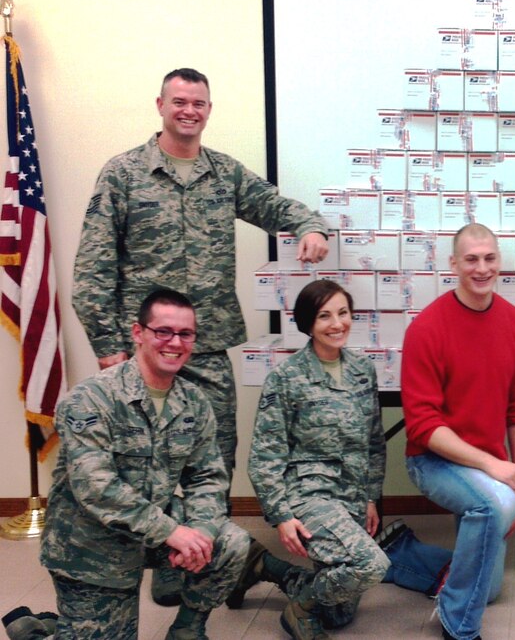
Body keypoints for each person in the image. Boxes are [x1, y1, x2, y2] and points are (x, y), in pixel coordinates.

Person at [72, 67, 329, 487]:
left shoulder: (224, 173)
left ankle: (211, 547)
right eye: (179, 102)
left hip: (206, 346)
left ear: (208, 111)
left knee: (214, 456)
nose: (188, 111)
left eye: (197, 104)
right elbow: (91, 270)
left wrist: (310, 227)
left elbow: (273, 205)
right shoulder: (124, 174)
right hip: (144, 348)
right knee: (140, 458)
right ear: (160, 106)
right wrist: (108, 347)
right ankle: (153, 548)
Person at [39, 289, 249, 640]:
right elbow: (97, 488)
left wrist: (201, 534)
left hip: (152, 528)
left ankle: (187, 629)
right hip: (90, 547)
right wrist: (173, 532)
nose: (175, 343)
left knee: (231, 541)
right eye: (163, 331)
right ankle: (40, 629)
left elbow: (208, 478)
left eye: (185, 334)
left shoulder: (194, 401)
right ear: (139, 333)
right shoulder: (91, 398)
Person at [401, 223, 515, 640]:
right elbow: (423, 426)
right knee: (491, 508)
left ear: (499, 262)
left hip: (488, 468)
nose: (482, 268)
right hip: (433, 460)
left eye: (490, 258)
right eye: (472, 259)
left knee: (490, 588)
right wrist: (493, 470)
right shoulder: (427, 328)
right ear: (454, 264)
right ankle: (457, 624)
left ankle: (397, 553)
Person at [246, 279, 391, 639]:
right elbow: (265, 454)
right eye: (325, 316)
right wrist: (281, 515)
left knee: (339, 614)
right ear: (308, 323)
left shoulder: (362, 371)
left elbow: (374, 441)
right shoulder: (287, 377)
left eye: (343, 313)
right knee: (372, 564)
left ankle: (265, 566)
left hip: (352, 495)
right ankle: (299, 608)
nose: (337, 323)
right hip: (309, 494)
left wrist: (372, 497)